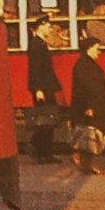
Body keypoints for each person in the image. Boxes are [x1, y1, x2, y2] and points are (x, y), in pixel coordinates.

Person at [69, 36, 105, 174]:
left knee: (91, 135)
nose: (99, 52)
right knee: (90, 135)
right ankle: (84, 162)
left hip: (93, 105)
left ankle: (86, 163)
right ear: (89, 48)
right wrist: (88, 106)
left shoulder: (85, 64)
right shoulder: (84, 65)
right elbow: (84, 88)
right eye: (97, 49)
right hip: (89, 106)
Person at [26, 13, 63, 163]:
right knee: (46, 120)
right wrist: (38, 89)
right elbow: (35, 69)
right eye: (47, 25)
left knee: (47, 120)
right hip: (42, 88)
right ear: (40, 27)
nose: (50, 28)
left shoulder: (40, 43)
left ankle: (42, 152)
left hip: (45, 86)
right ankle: (39, 149)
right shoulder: (36, 44)